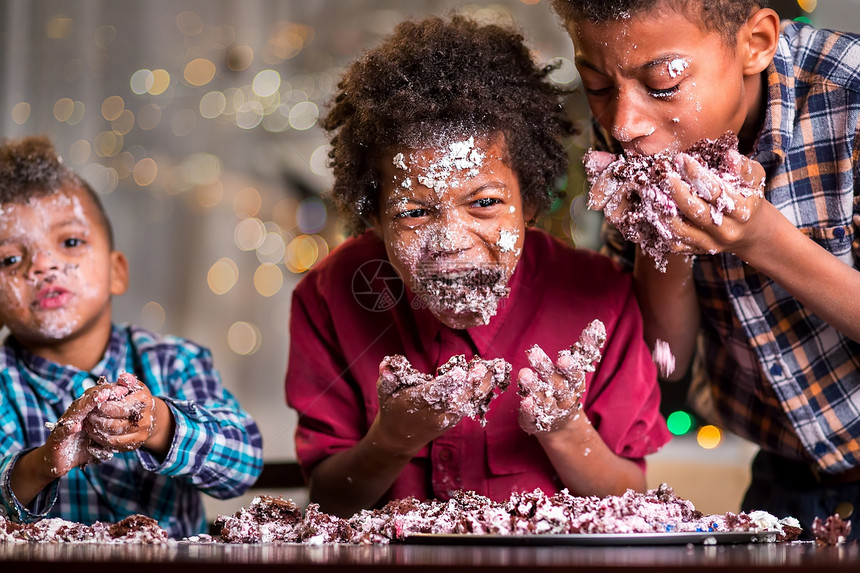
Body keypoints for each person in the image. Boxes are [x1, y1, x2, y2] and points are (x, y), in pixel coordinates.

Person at [285, 15, 670, 518]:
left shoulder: (599, 297)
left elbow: (631, 499)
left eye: (484, 203)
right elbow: (329, 497)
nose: (450, 241)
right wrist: (392, 440)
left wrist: (565, 429)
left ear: (529, 201)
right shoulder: (329, 297)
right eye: (414, 212)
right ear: (374, 218)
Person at [549, 0, 860, 539]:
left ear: (755, 44)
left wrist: (762, 239)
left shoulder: (849, 97)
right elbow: (666, 360)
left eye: (665, 82)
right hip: (786, 477)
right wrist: (664, 243)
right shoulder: (635, 130)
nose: (624, 124)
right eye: (597, 86)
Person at [0, 136, 264, 538]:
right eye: (11, 259)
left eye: (70, 242)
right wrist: (43, 464)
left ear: (117, 271)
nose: (44, 265)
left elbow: (243, 465)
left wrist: (159, 425)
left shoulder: (175, 361)